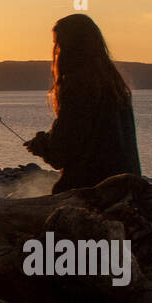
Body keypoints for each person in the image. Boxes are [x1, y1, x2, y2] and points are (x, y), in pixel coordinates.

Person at [24, 13, 141, 193]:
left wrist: (41, 144)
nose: (57, 51)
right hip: (126, 188)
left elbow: (62, 150)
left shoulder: (80, 86)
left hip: (90, 192)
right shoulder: (114, 85)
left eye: (59, 45)